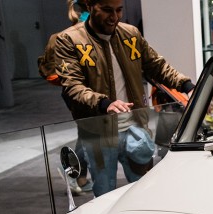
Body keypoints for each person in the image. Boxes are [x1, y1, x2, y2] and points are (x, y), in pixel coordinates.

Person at [54, 0, 195, 197]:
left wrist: (187, 85)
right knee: (104, 194)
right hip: (98, 133)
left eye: (119, 10)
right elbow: (72, 85)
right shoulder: (68, 40)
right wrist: (104, 103)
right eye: (106, 10)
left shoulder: (130, 34)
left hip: (135, 128)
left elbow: (157, 65)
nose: (114, 17)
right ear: (89, 6)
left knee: (144, 191)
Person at [38, 0, 93, 195]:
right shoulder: (83, 31)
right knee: (90, 134)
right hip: (83, 92)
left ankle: (79, 175)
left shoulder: (72, 30)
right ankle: (73, 172)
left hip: (76, 92)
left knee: (88, 134)